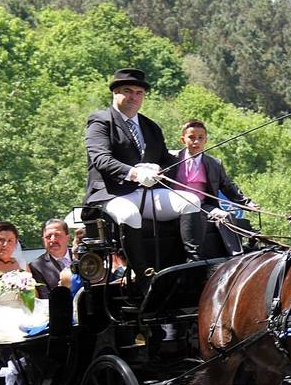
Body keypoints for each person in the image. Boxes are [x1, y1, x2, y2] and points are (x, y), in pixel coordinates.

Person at [83, 68, 212, 286]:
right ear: (115, 93)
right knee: (130, 213)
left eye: (138, 92)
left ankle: (193, 267)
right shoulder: (100, 121)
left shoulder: (150, 127)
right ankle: (142, 275)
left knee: (191, 201)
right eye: (127, 91)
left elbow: (164, 161)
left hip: (148, 193)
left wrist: (161, 167)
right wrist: (134, 172)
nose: (133, 97)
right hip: (112, 194)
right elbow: (101, 159)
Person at [171, 119, 248, 258]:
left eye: (200, 138)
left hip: (203, 205)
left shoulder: (214, 163)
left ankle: (237, 256)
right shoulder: (171, 158)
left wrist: (247, 203)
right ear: (183, 139)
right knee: (196, 218)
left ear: (206, 140)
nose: (196, 142)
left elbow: (227, 186)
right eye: (191, 137)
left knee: (225, 216)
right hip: (174, 205)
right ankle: (194, 257)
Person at [29, 218, 72, 298]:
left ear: (67, 238)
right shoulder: (37, 266)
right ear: (43, 240)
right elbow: (45, 298)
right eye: (48, 236)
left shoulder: (81, 257)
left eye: (57, 235)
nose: (52, 240)